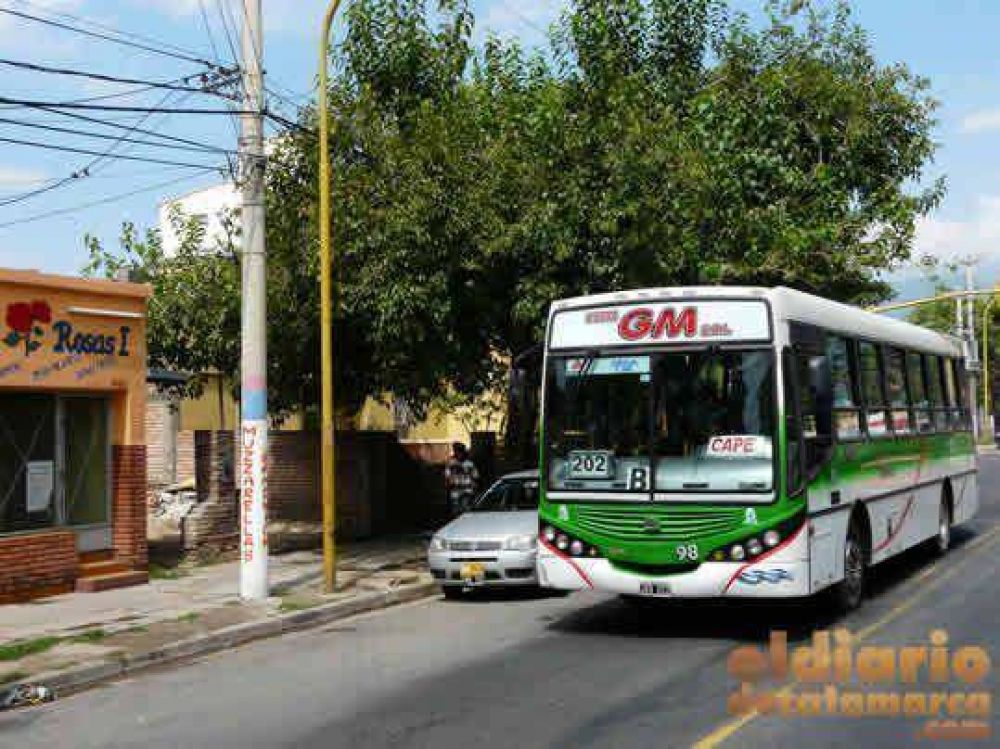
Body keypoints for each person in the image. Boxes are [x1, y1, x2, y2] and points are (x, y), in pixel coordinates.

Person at [445, 442, 479, 516]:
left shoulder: (470, 463)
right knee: (455, 511)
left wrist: (474, 487)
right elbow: (447, 477)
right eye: (456, 451)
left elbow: (475, 476)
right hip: (455, 490)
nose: (458, 453)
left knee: (466, 510)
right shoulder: (450, 463)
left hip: (467, 490)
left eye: (460, 451)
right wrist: (449, 487)